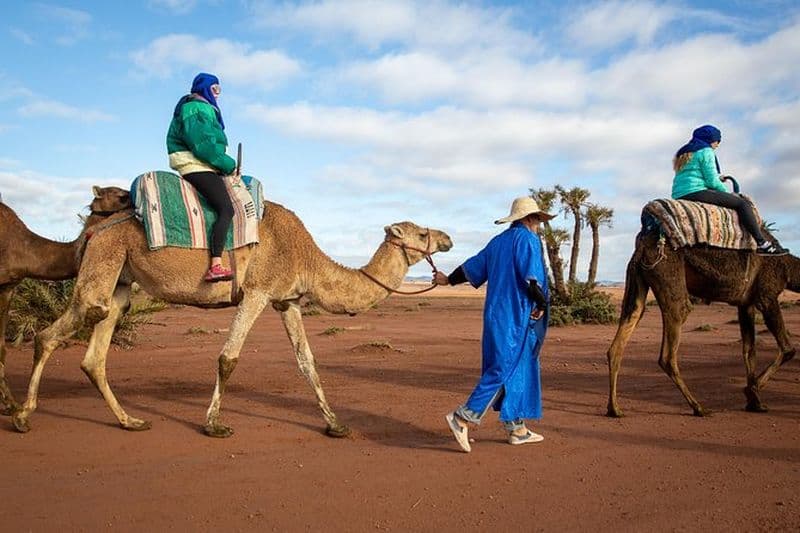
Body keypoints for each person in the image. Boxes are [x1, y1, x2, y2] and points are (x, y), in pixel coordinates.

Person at [434, 196, 553, 452]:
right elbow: (532, 281)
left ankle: (516, 429)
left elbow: (470, 269)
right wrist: (541, 305)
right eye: (537, 220)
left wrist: (447, 280)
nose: (538, 225)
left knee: (515, 368)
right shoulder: (528, 240)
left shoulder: (498, 242)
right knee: (502, 368)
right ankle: (463, 417)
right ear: (530, 218)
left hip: (495, 317)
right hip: (516, 318)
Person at [671, 124, 787, 256]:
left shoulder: (685, 152)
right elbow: (711, 182)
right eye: (717, 140)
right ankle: (762, 244)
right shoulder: (706, 151)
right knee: (742, 204)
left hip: (680, 194)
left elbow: (694, 174)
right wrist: (728, 193)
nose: (718, 144)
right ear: (710, 139)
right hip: (696, 191)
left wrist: (718, 177)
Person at [167, 72, 238, 281]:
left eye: (219, 90)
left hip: (199, 164)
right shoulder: (198, 108)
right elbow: (203, 146)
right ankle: (216, 265)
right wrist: (228, 164)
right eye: (214, 88)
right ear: (204, 88)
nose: (217, 93)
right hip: (196, 164)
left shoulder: (196, 106)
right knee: (226, 209)